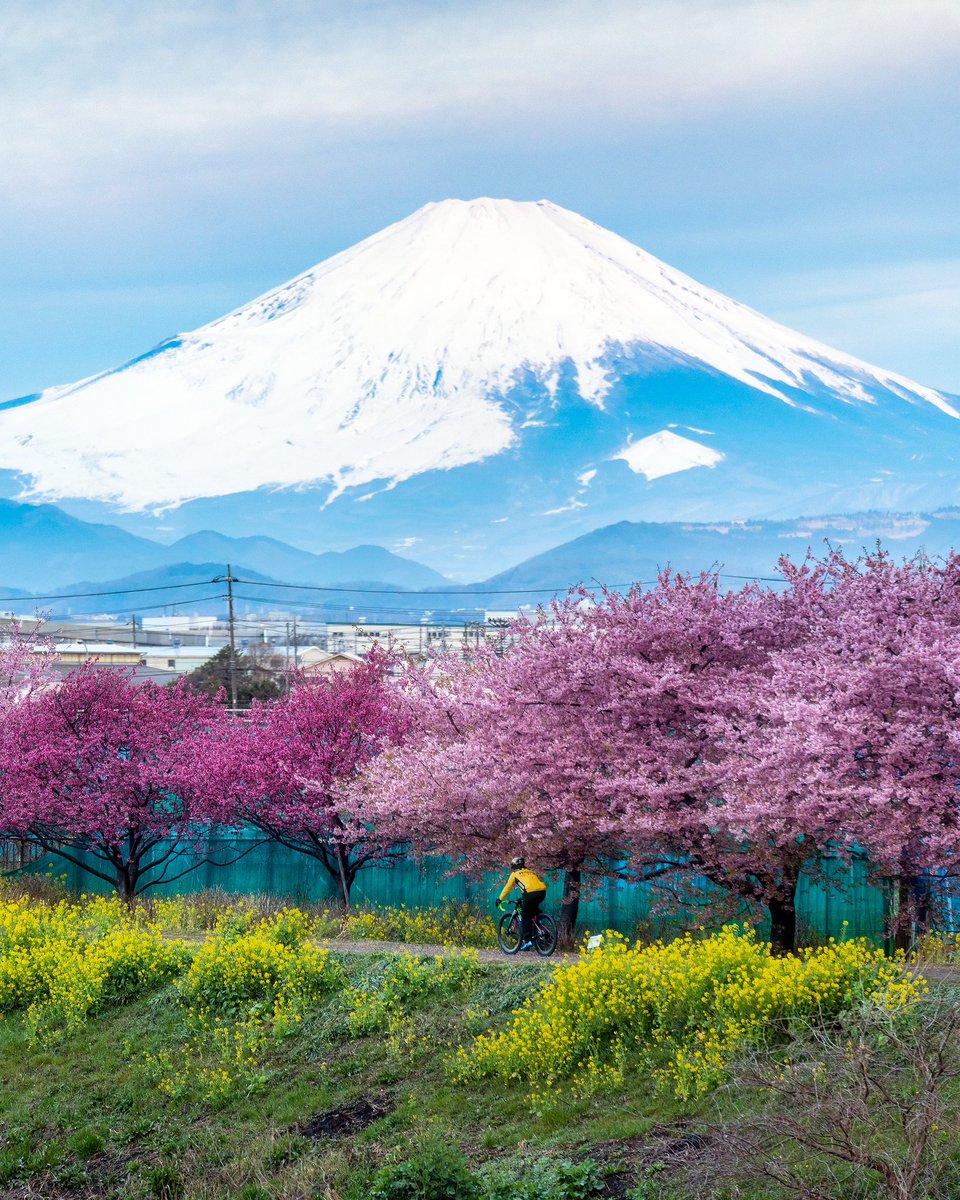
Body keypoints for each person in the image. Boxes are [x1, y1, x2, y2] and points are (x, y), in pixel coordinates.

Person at [498, 855, 547, 950]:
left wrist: (500, 899)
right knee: (534, 911)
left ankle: (528, 941)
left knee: (525, 916)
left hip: (530, 894)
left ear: (513, 867)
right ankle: (540, 925)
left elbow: (507, 888)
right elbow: (532, 886)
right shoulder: (531, 872)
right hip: (541, 892)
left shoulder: (515, 875)